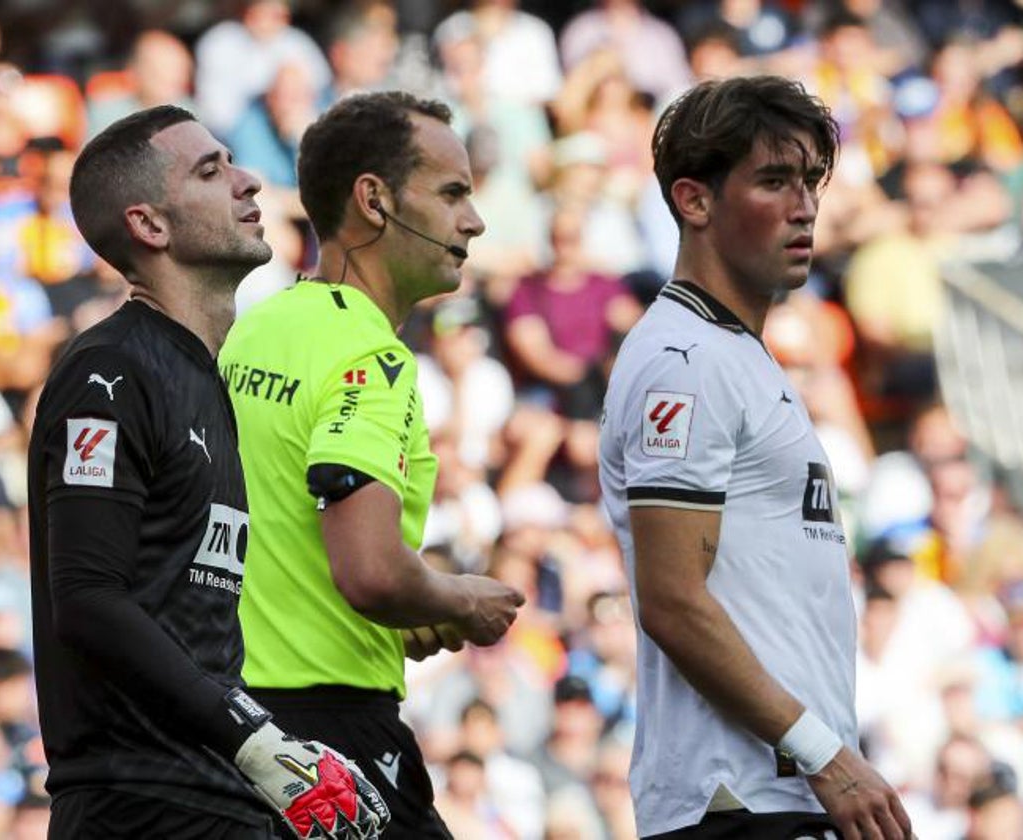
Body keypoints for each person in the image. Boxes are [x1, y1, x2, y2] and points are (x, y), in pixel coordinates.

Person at [27, 105, 388, 839]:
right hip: (137, 807)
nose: (249, 181)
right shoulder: (110, 371)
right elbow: (89, 598)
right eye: (210, 170)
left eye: (232, 161)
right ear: (150, 227)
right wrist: (254, 737)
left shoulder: (209, 381)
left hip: (218, 799)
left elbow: (188, 621)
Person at [597, 76, 913, 839]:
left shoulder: (737, 355)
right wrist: (825, 757)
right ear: (695, 201)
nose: (804, 206)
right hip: (736, 800)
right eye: (773, 180)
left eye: (810, 181)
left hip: (780, 796)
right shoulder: (685, 358)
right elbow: (672, 598)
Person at [219, 91, 525, 838]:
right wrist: (456, 601)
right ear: (375, 200)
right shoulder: (373, 357)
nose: (474, 221)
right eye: (452, 193)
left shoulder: (251, 332)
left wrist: (411, 609)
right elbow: (371, 573)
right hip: (331, 727)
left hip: (230, 721)